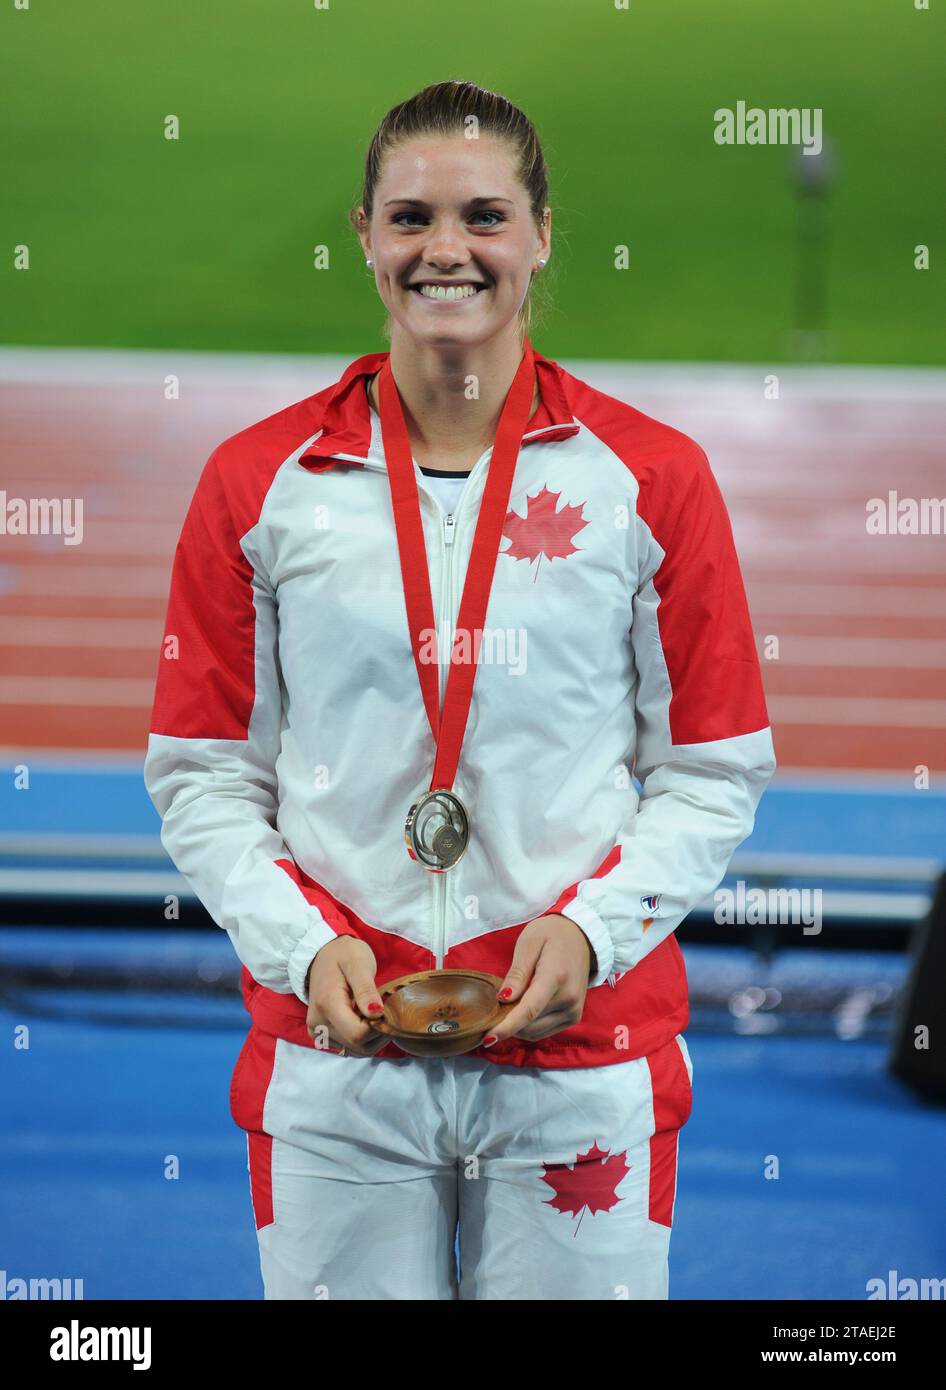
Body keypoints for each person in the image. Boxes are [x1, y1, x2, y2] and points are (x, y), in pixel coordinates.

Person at [144, 79, 776, 1300]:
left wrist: (593, 933)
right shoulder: (257, 484)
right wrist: (300, 945)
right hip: (339, 1066)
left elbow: (711, 768)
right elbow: (203, 771)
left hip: (583, 1063)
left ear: (541, 235)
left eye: (484, 216)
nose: (447, 251)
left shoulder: (652, 480)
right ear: (365, 237)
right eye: (412, 218)